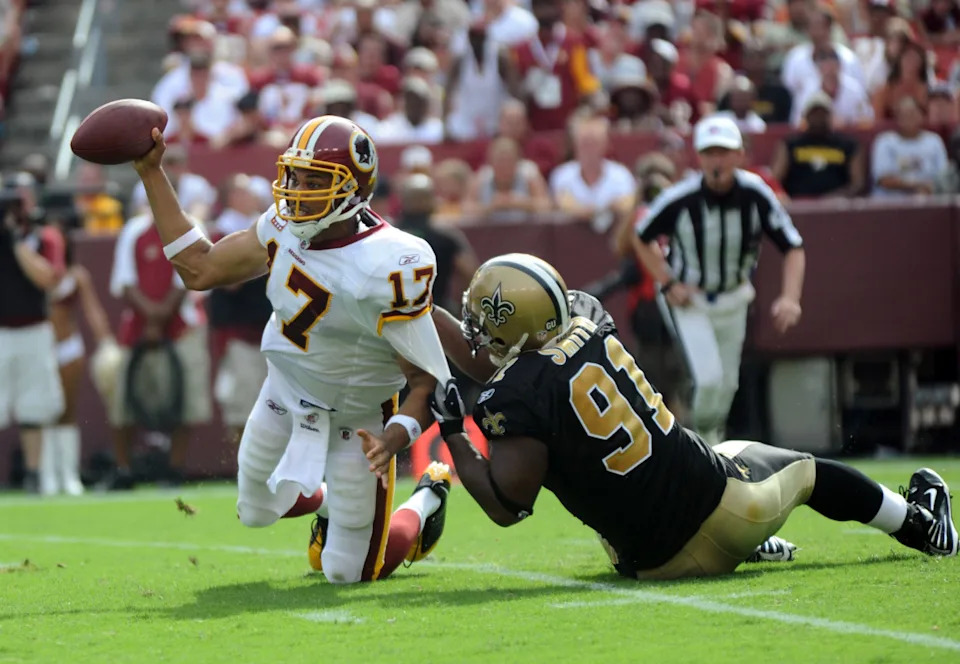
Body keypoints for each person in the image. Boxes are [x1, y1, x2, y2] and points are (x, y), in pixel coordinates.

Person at [363, 253, 958, 580]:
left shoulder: (512, 398)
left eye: (483, 317)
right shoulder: (588, 316)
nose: (474, 328)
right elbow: (511, 361)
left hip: (642, 561)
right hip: (722, 509)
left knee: (612, 473)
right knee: (804, 470)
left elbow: (506, 508)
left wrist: (451, 431)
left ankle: (775, 544)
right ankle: (916, 523)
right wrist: (421, 310)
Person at [131, 115, 454, 584]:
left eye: (316, 181)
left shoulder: (389, 263)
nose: (298, 191)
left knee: (348, 572)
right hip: (285, 393)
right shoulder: (281, 225)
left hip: (357, 418)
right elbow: (199, 269)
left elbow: (426, 381)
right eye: (295, 176)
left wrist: (394, 440)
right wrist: (151, 173)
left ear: (355, 190)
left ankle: (425, 501)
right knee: (257, 511)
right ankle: (326, 502)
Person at [634, 115, 805, 447]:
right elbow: (641, 237)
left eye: (724, 152)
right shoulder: (680, 198)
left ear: (740, 154)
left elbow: (793, 246)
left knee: (727, 385)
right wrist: (667, 282)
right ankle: (697, 446)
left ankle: (713, 446)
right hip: (691, 299)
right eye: (710, 152)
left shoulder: (756, 194)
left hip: (734, 295)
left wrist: (790, 297)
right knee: (709, 378)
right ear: (699, 157)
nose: (717, 161)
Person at [0, 173, 66, 493]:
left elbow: (47, 279)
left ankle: (33, 473)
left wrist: (16, 243)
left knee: (34, 407)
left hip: (33, 330)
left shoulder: (44, 236)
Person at [41, 229, 115, 495]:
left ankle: (69, 475)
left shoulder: (77, 275)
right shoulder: (34, 273)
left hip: (68, 348)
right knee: (43, 411)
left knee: (67, 411)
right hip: (40, 347)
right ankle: (46, 476)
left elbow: (92, 309)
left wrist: (105, 340)